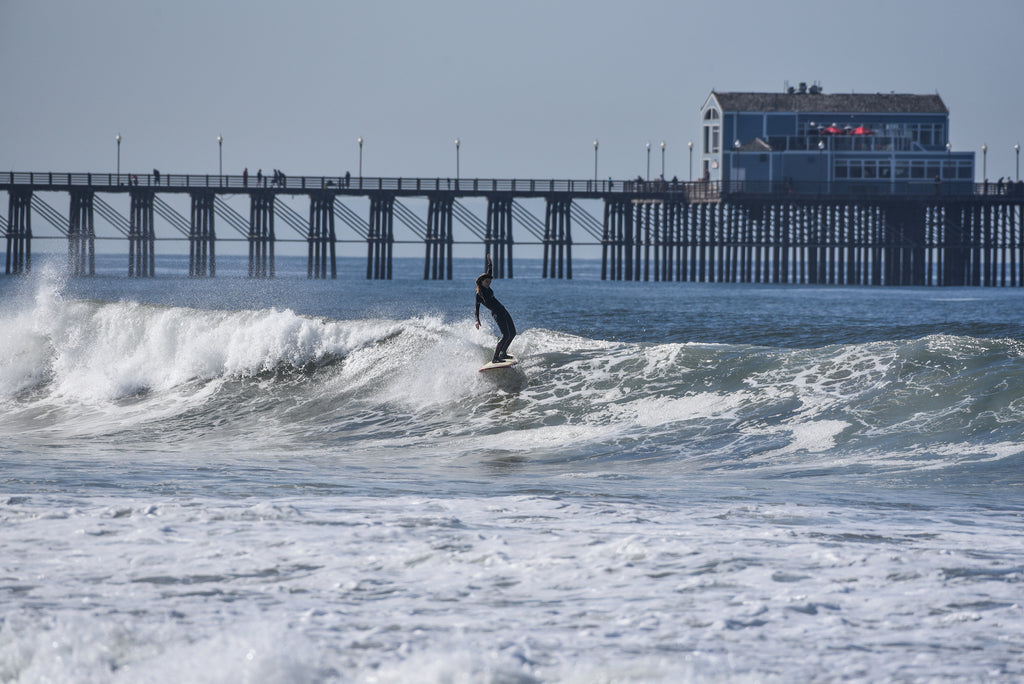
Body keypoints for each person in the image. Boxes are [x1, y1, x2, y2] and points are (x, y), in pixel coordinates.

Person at [474, 253, 516, 364]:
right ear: (481, 281)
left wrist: (490, 263)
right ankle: (495, 357)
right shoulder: (479, 293)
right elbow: (476, 308)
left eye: (490, 282)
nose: (488, 283)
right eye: (487, 282)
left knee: (513, 333)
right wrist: (477, 320)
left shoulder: (487, 287)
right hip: (497, 313)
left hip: (503, 310)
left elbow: (489, 274)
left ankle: (503, 352)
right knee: (505, 335)